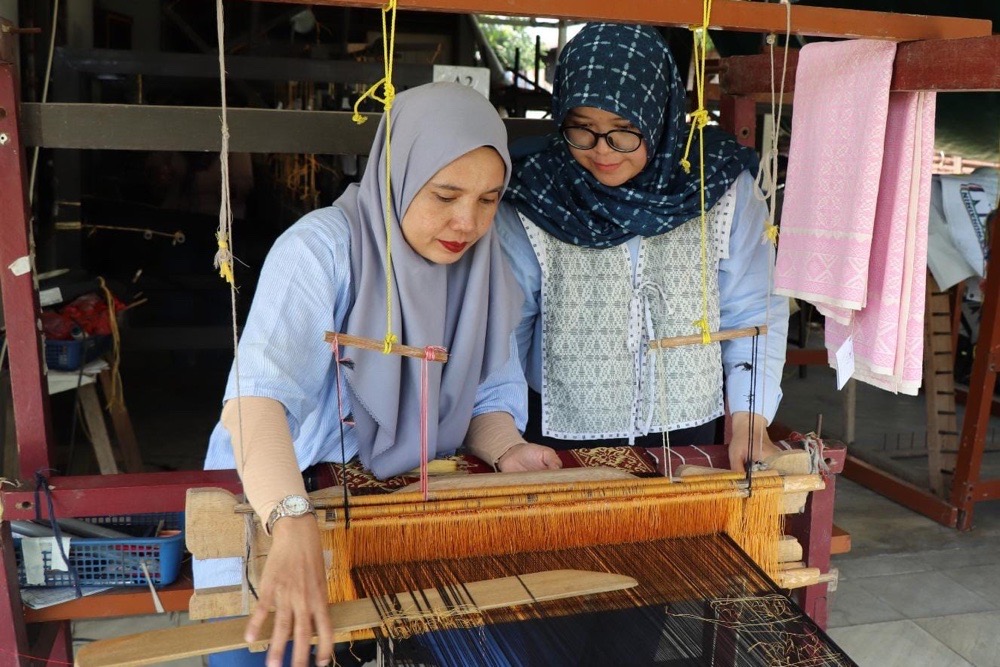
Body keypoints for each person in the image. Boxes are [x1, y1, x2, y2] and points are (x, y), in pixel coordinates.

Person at [193, 82, 559, 667]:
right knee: (267, 650)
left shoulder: (484, 270)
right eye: (444, 194)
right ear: (398, 174)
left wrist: (508, 448)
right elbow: (257, 400)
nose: (466, 221)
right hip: (279, 501)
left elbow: (488, 393)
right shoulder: (322, 250)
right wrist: (290, 522)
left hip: (397, 519)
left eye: (489, 199)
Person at [496, 23, 789, 472]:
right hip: (554, 434)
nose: (602, 152)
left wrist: (750, 423)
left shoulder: (719, 186)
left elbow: (752, 313)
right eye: (582, 129)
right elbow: (507, 327)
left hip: (690, 429)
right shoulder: (537, 193)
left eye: (624, 131)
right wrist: (504, 435)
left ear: (661, 114)